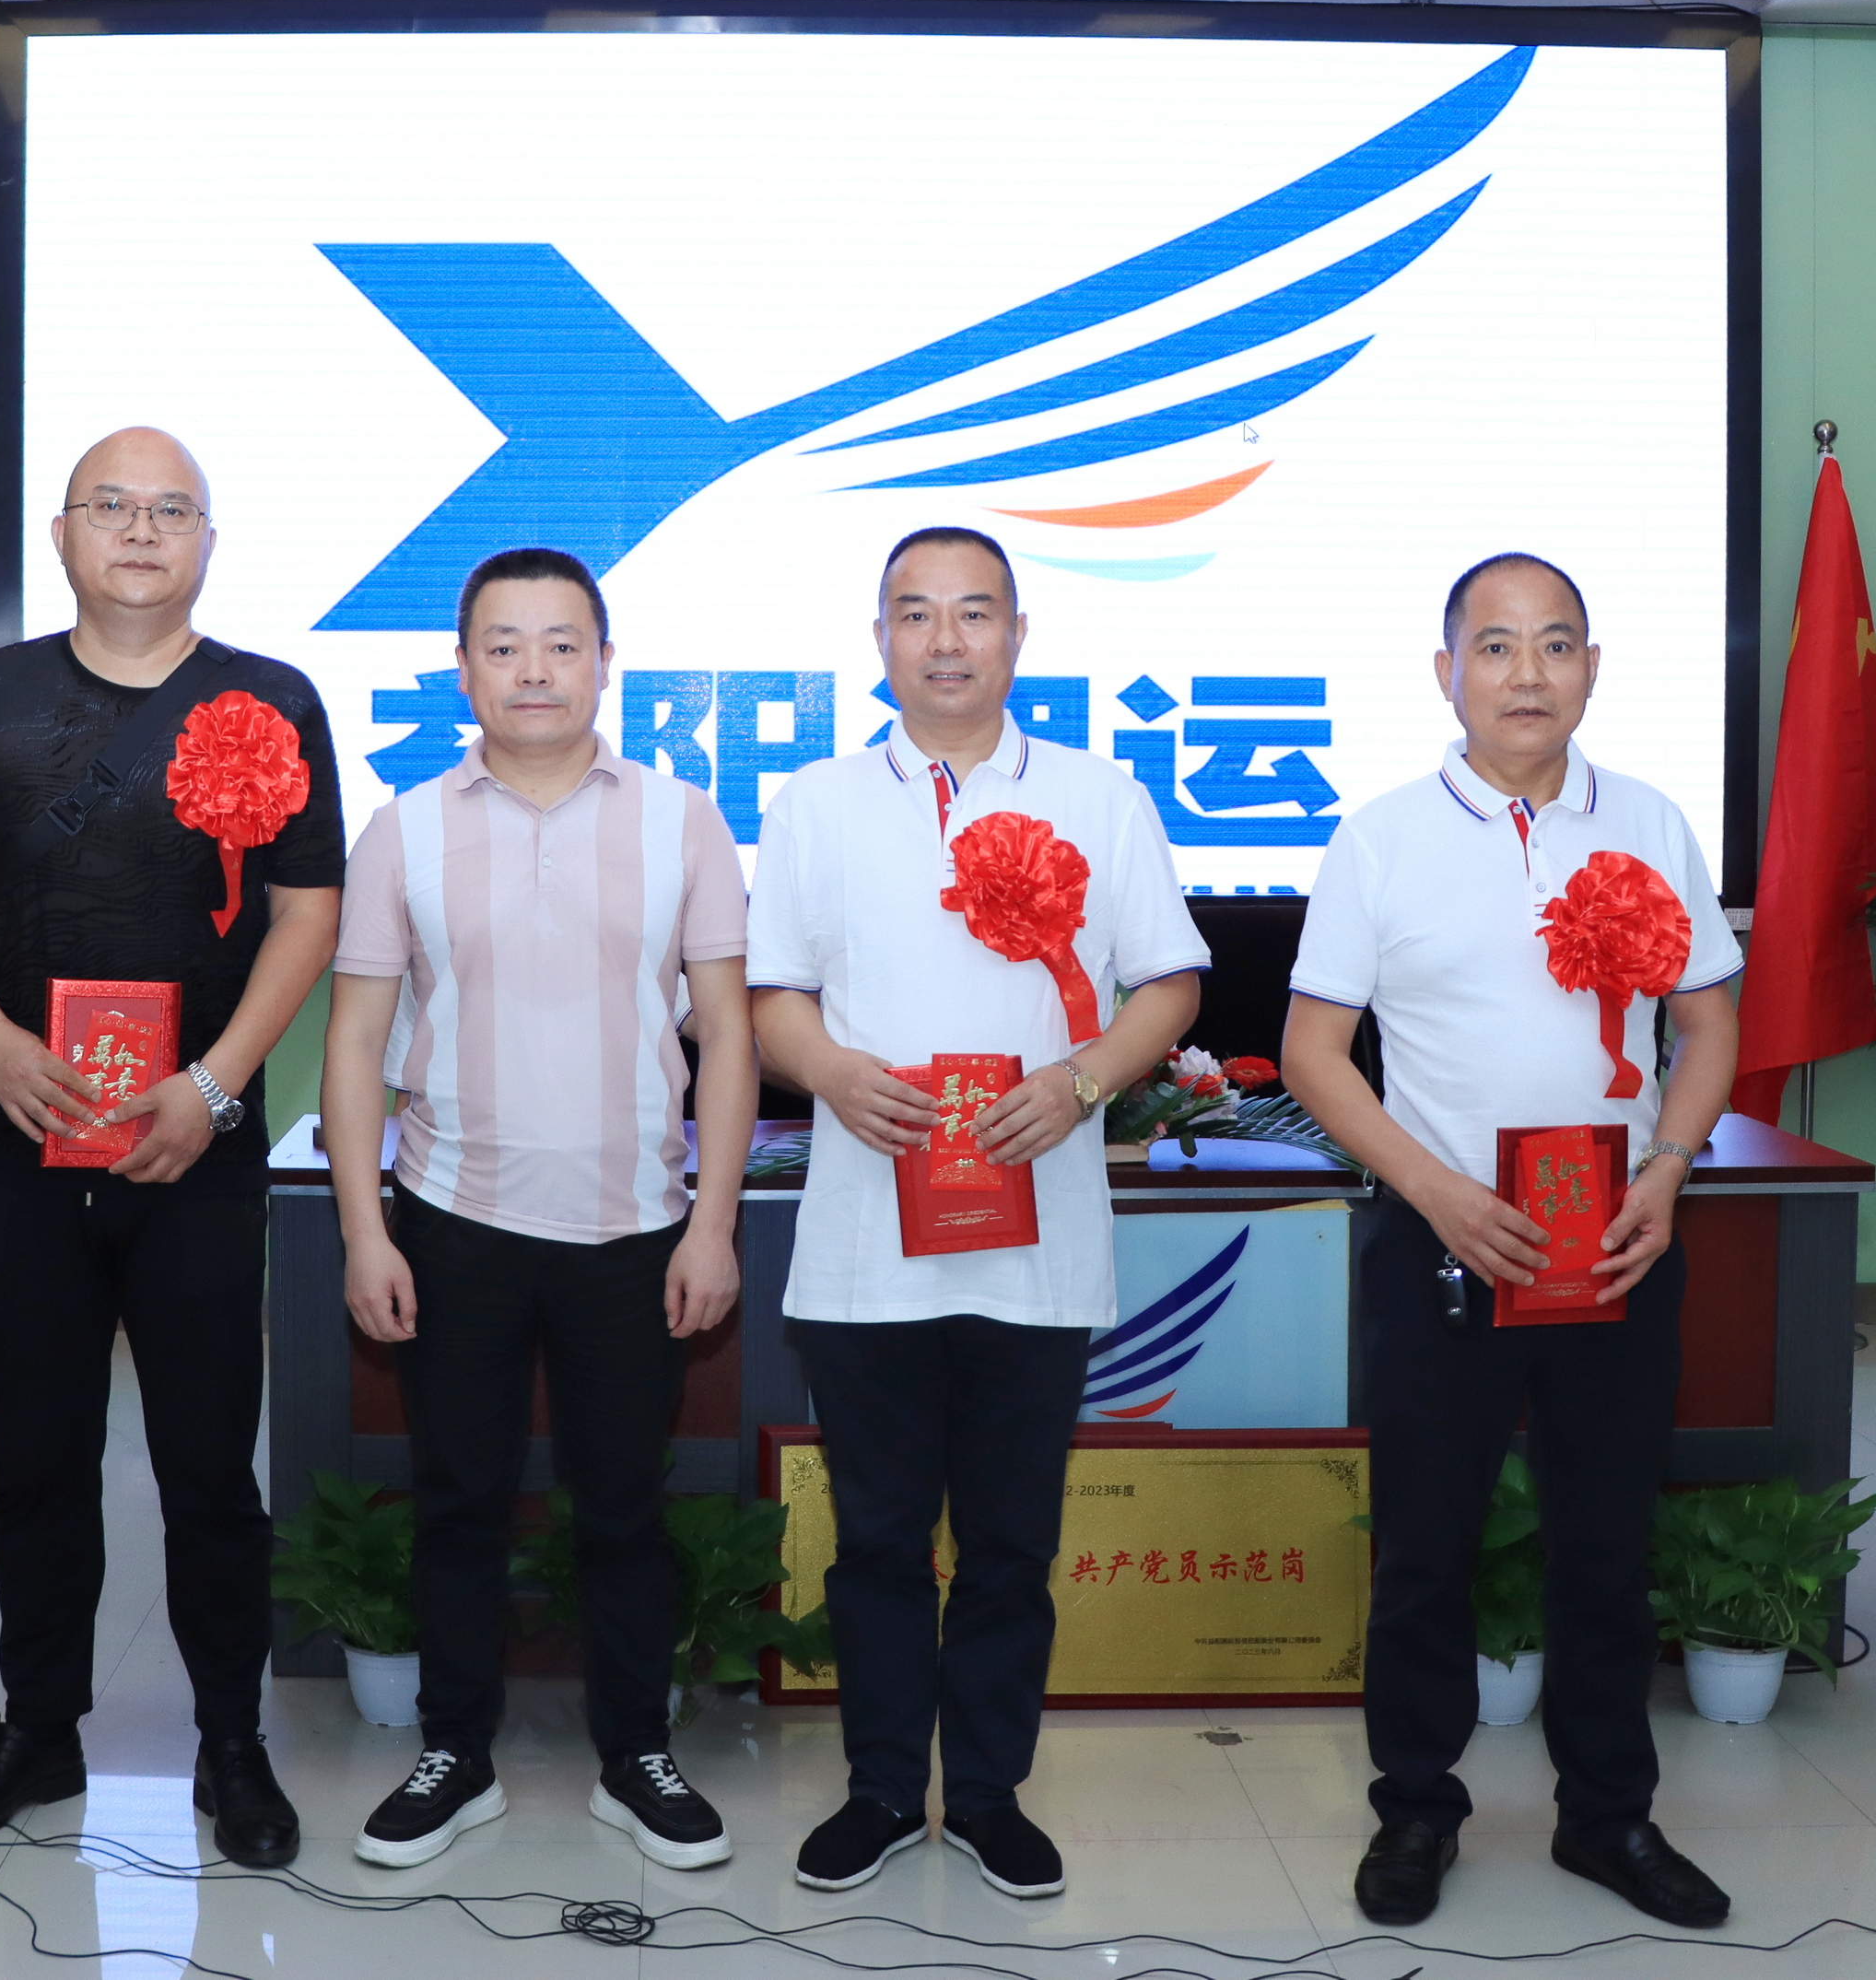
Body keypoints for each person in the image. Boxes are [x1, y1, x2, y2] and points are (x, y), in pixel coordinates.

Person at [0, 427, 344, 1865]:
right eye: (111, 506)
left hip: (194, 1146)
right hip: (25, 1139)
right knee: (37, 1456)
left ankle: (231, 1743)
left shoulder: (271, 700)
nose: (141, 530)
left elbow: (309, 914)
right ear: (64, 536)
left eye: (172, 510)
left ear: (208, 543)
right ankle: (38, 1731)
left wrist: (213, 1085)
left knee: (209, 1464)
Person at [1280, 553, 1742, 1933]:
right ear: (1448, 674)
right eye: (1495, 646)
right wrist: (1435, 1191)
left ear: (1591, 668)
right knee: (1425, 1548)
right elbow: (1313, 1053)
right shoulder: (1381, 838)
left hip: (1615, 1244)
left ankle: (1608, 1818)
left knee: (1606, 1544)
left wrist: (1668, 1170)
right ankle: (1417, 1809)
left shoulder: (1651, 821)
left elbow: (1708, 1022)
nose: (1526, 673)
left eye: (1555, 644)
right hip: (1444, 1246)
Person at [746, 527, 1207, 1902]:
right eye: (916, 614)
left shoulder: (1100, 796)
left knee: (1011, 1545)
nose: (945, 641)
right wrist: (832, 1072)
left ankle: (993, 1797)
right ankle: (886, 1790)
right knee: (879, 1540)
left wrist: (1081, 1085)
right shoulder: (818, 803)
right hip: (866, 1247)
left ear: (1018, 636)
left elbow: (1169, 985)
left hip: (1038, 1241)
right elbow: (772, 998)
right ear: (879, 640)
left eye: (974, 613)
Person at [320, 547, 756, 1870]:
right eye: (502, 646)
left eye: (562, 644)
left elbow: (728, 1035)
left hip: (636, 1226)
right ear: (461, 670)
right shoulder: (403, 828)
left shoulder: (685, 819)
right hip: (454, 1217)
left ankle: (636, 1757)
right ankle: (456, 1756)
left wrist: (714, 1223)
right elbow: (355, 1040)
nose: (533, 670)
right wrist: (363, 1230)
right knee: (457, 1501)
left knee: (622, 1506)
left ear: (605, 664)